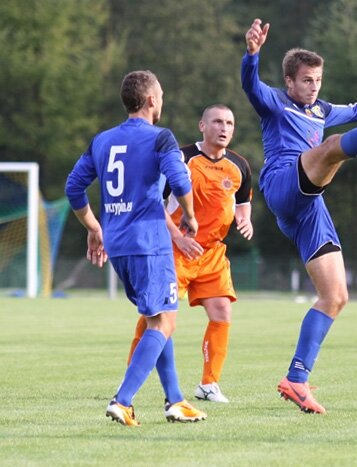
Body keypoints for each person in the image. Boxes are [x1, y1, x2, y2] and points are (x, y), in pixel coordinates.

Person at [242, 18, 357, 414]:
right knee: (332, 148)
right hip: (282, 183)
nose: (314, 87)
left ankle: (296, 378)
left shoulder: (321, 109)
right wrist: (251, 55)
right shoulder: (274, 102)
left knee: (336, 296)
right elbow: (250, 85)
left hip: (309, 207)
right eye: (307, 80)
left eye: (318, 80)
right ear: (289, 81)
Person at [65, 70, 207, 426]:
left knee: (158, 316)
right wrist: (190, 216)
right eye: (161, 96)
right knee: (164, 321)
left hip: (118, 244)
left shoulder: (102, 140)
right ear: (151, 100)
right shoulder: (161, 138)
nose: (162, 101)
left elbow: (73, 187)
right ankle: (123, 400)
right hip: (149, 243)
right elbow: (179, 180)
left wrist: (94, 227)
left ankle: (175, 400)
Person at [126, 104, 254, 404]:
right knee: (157, 316)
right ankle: (131, 375)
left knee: (222, 312)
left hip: (212, 254)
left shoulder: (239, 166)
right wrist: (177, 237)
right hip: (175, 250)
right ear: (202, 125)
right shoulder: (180, 159)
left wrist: (245, 220)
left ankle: (209, 384)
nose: (224, 128)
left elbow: (242, 203)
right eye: (218, 122)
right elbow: (152, 201)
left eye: (229, 123)